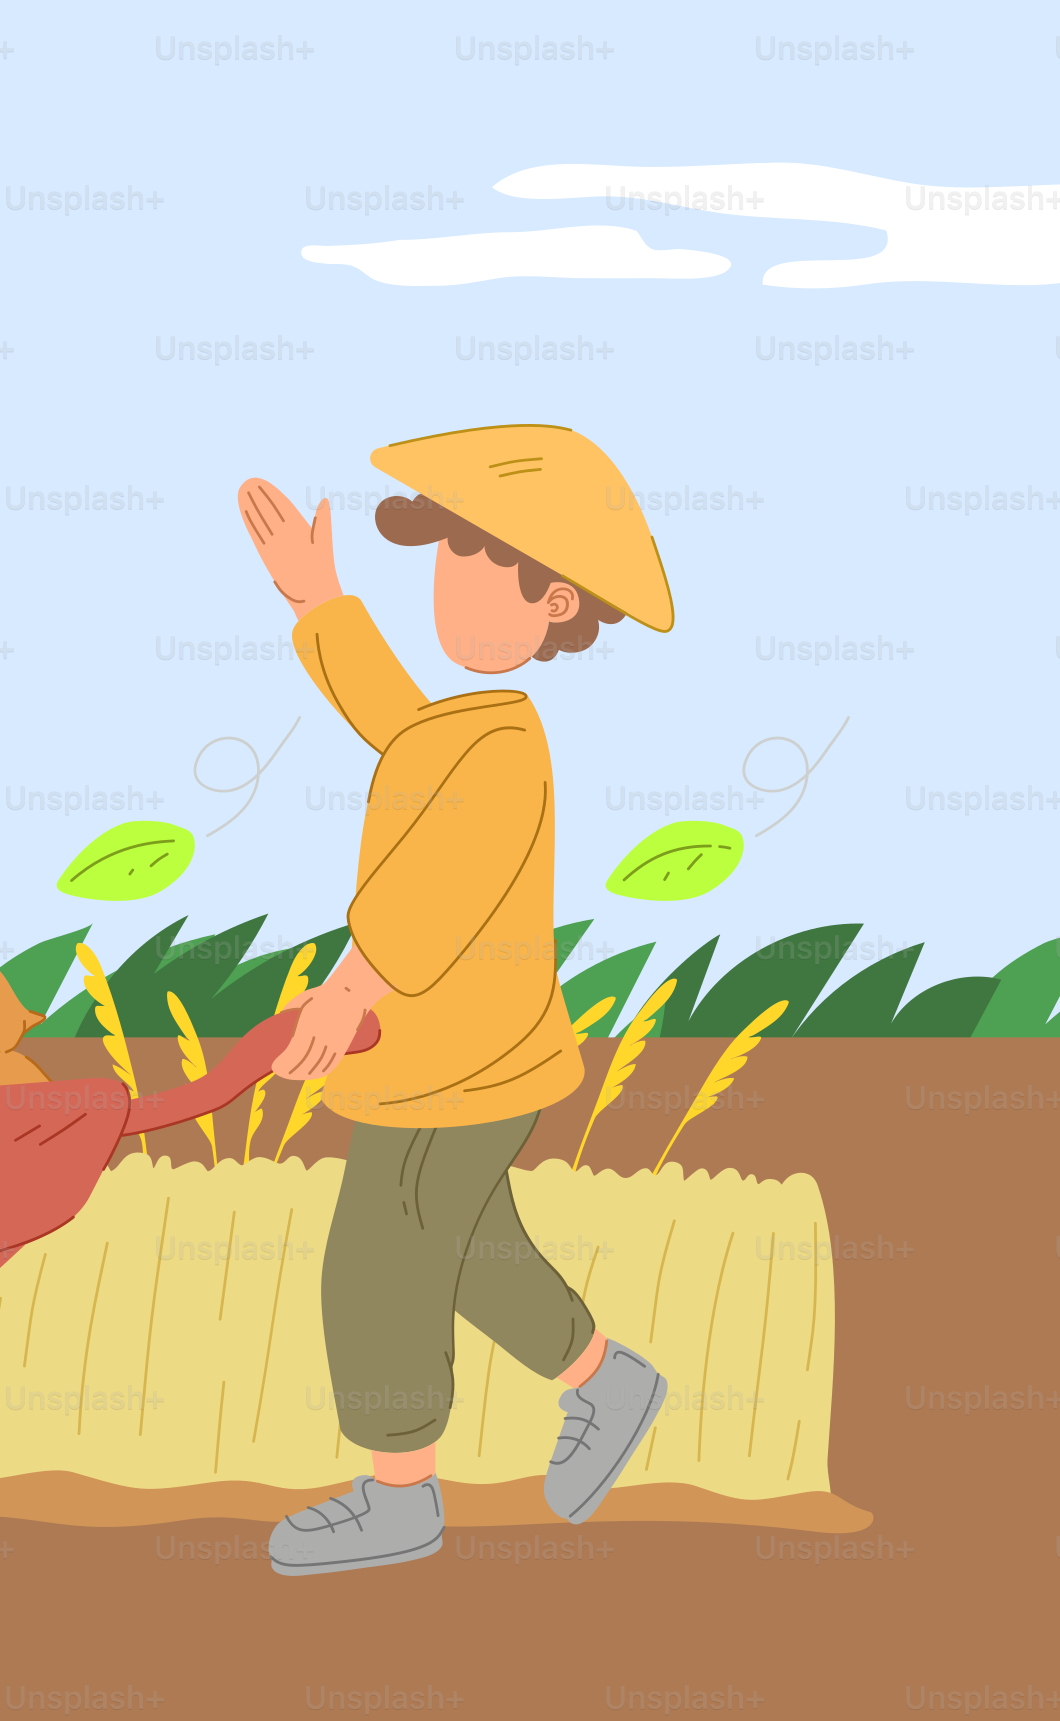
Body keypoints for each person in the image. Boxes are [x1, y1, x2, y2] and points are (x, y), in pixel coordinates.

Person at [237, 424, 677, 1577]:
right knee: (472, 1245)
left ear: (553, 603)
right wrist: (318, 601)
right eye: (444, 558)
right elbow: (394, 716)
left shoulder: (499, 750)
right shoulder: (466, 727)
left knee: (378, 1258)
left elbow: (427, 902)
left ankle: (399, 1495)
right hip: (462, 1060)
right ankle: (605, 1377)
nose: (449, 586)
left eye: (479, 564)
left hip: (456, 1065)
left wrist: (345, 990)